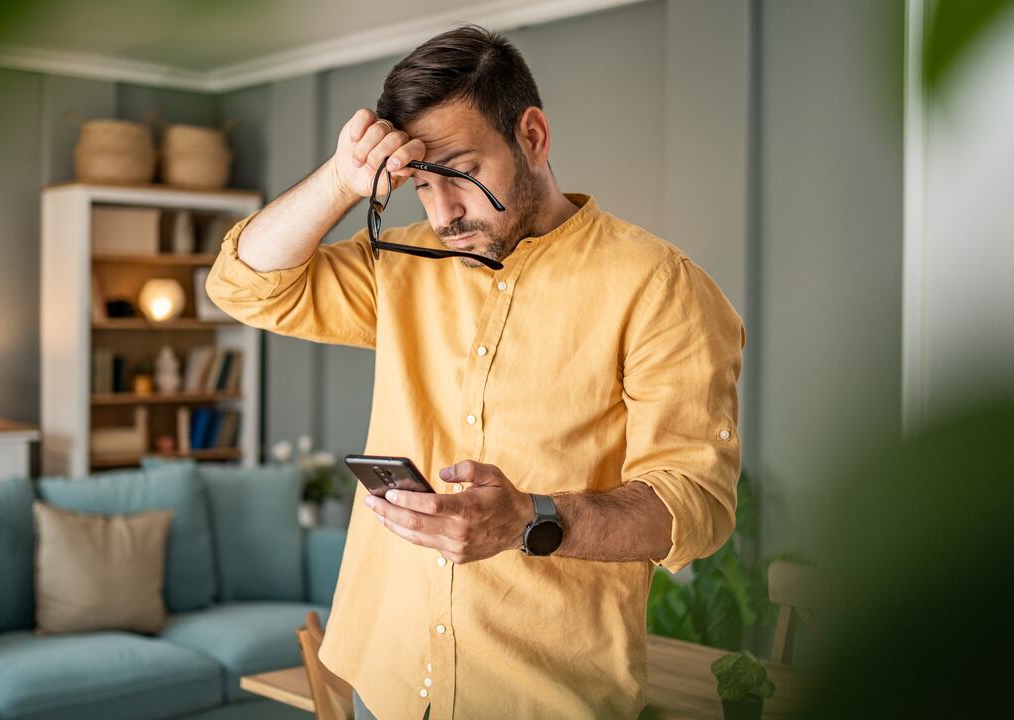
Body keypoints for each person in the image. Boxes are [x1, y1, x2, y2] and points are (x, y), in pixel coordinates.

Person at [206, 25, 744, 720]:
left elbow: (694, 504)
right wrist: (342, 180)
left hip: (542, 701)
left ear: (533, 136)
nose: (444, 214)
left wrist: (532, 520)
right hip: (386, 680)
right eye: (422, 186)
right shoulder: (400, 264)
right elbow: (243, 286)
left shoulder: (660, 287)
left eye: (461, 174)